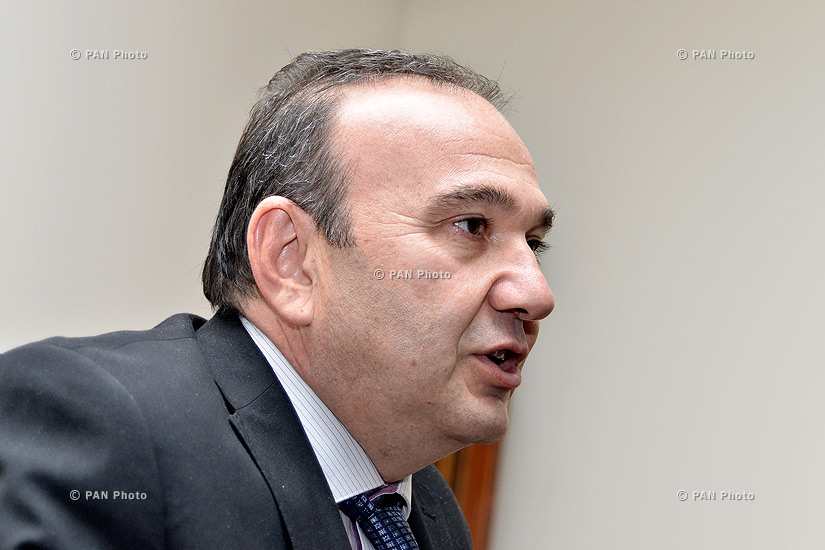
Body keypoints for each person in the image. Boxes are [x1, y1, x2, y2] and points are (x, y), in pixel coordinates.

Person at [0, 49, 555, 549]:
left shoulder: (429, 512)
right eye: (471, 225)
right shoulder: (102, 425)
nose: (536, 294)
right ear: (290, 260)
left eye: (532, 243)